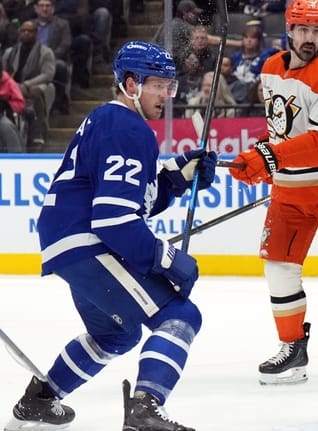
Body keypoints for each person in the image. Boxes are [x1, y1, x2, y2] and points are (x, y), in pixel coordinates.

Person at [2, 40, 217, 431]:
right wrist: (167, 258)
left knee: (116, 333)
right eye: (158, 86)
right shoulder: (128, 128)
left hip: (69, 242)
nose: (167, 96)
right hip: (89, 242)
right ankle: (145, 411)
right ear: (131, 84)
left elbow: (132, 204)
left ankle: (41, 400)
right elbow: (114, 220)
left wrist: (175, 179)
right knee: (180, 315)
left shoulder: (110, 121)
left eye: (171, 87)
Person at [227, 0, 318, 390]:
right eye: (303, 30)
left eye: (317, 31)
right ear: (288, 31)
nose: (310, 39)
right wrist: (259, 155)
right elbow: (282, 129)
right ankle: (292, 348)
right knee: (277, 266)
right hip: (291, 188)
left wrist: (269, 156)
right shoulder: (271, 68)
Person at [1, 20, 55, 148]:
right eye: (23, 31)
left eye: (30, 31)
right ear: (19, 33)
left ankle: (37, 134)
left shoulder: (46, 52)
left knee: (37, 91)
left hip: (32, 85)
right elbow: (3, 72)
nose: (26, 33)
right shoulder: (10, 52)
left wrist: (26, 84)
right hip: (12, 85)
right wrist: (12, 85)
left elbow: (47, 75)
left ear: (36, 34)